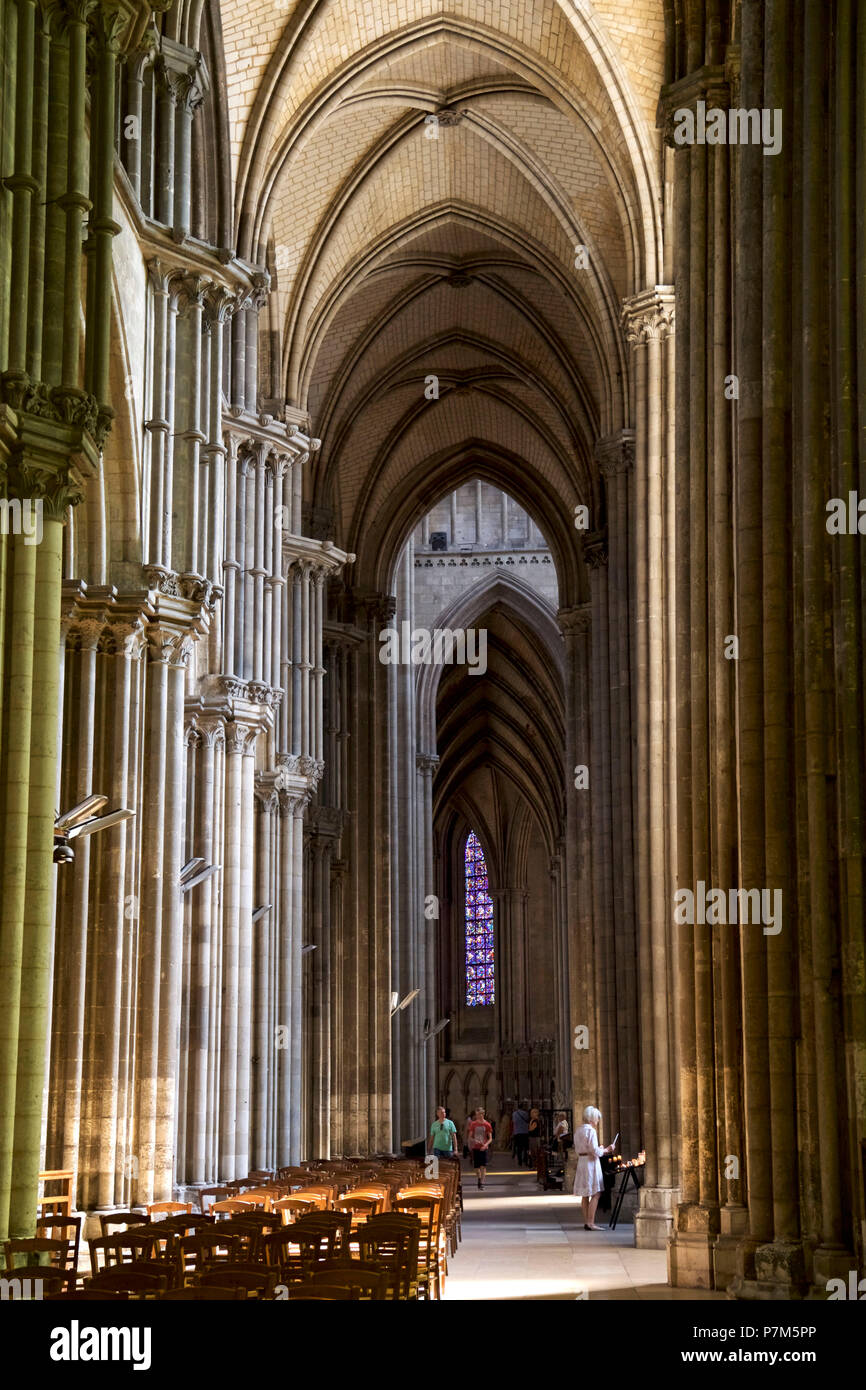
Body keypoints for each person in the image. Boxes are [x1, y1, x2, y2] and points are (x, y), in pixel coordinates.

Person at [572, 1105, 615, 1230]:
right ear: (592, 1119)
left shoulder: (579, 1130)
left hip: (582, 1161)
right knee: (596, 1193)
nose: (597, 1122)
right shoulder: (591, 1131)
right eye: (597, 1119)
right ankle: (591, 1223)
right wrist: (607, 1149)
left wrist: (598, 1149)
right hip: (591, 1163)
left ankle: (587, 1222)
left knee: (585, 1194)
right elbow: (595, 1151)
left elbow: (582, 1148)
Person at [467, 1106, 493, 1189]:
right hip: (476, 1147)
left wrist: (486, 1145)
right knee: (476, 1167)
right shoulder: (473, 1124)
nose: (477, 1116)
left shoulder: (487, 1125)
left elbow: (490, 1138)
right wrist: (474, 1141)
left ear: (483, 1114)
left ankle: (482, 1182)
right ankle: (479, 1178)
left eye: (479, 1114)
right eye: (476, 1114)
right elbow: (470, 1137)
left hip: (483, 1147)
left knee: (483, 1166)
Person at [511, 1100, 530, 1166]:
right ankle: (525, 1160)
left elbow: (513, 1122)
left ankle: (520, 1161)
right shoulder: (526, 1113)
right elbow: (528, 1120)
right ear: (523, 1107)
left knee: (519, 1148)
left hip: (517, 1132)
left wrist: (513, 1132)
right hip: (525, 1132)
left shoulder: (514, 1114)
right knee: (526, 1147)